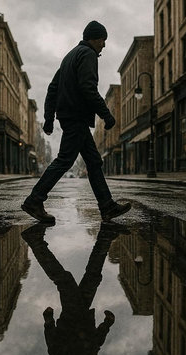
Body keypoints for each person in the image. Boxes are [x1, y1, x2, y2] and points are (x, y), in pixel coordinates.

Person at [21, 20, 131, 224]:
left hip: (69, 116)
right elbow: (88, 88)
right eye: (102, 40)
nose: (104, 45)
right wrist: (106, 114)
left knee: (94, 162)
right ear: (95, 38)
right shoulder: (87, 54)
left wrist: (49, 118)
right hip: (77, 116)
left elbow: (52, 88)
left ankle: (107, 206)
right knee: (64, 160)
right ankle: (34, 200)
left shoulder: (69, 57)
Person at [21, 222, 129, 355]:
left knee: (65, 280)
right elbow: (58, 354)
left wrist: (106, 325)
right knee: (91, 278)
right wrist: (49, 323)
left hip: (75, 319)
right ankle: (105, 239)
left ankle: (35, 242)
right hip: (77, 320)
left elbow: (89, 347)